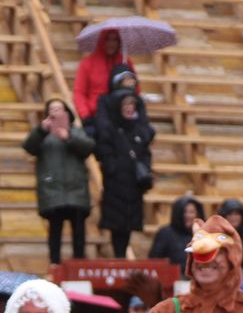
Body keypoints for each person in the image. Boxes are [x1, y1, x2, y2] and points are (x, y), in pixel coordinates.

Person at [22, 98, 94, 265]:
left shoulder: (76, 131)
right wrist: (41, 130)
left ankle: (79, 262)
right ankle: (54, 263)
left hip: (76, 190)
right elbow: (28, 147)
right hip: (53, 191)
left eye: (59, 109)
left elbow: (88, 147)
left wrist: (68, 137)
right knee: (55, 230)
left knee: (78, 231)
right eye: (52, 109)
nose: (55, 112)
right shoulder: (42, 135)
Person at [93, 90, 154, 259]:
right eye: (126, 105)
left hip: (134, 186)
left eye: (132, 105)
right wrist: (113, 166)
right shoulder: (111, 129)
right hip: (116, 185)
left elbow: (145, 152)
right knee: (116, 225)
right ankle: (118, 256)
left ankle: (122, 255)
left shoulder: (139, 130)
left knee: (129, 225)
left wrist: (145, 169)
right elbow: (104, 150)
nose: (129, 108)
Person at [73, 29, 123, 124]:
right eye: (107, 39)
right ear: (101, 41)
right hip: (94, 116)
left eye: (115, 40)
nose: (111, 43)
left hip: (119, 116)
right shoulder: (87, 63)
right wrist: (85, 114)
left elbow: (134, 90)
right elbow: (79, 92)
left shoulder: (125, 63)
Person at [149, 196, 202, 266]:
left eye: (191, 212)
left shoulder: (202, 234)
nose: (188, 216)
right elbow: (154, 260)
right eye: (184, 212)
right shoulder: (165, 233)